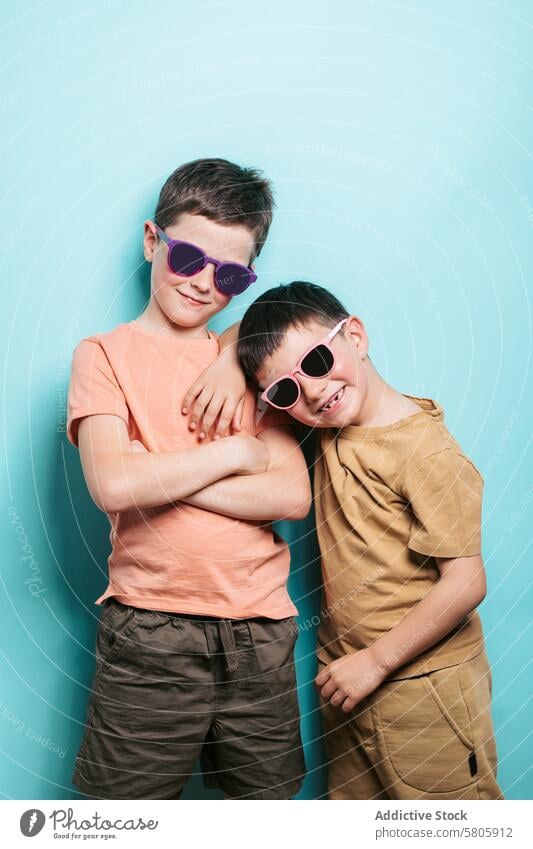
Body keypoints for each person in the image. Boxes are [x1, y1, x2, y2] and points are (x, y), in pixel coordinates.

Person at [66, 160, 311, 800]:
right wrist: (234, 454)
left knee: (264, 815)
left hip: (260, 632)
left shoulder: (252, 359)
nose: (204, 283)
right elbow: (113, 488)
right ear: (153, 241)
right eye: (188, 259)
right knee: (125, 818)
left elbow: (290, 494)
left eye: (229, 274)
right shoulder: (103, 355)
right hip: (150, 630)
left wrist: (156, 470)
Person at [227, 279, 502, 800]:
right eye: (285, 390)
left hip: (424, 687)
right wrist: (228, 363)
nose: (311, 390)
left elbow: (467, 581)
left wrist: (375, 663)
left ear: (355, 335)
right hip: (349, 681)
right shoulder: (329, 423)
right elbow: (251, 337)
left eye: (316, 362)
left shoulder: (426, 453)